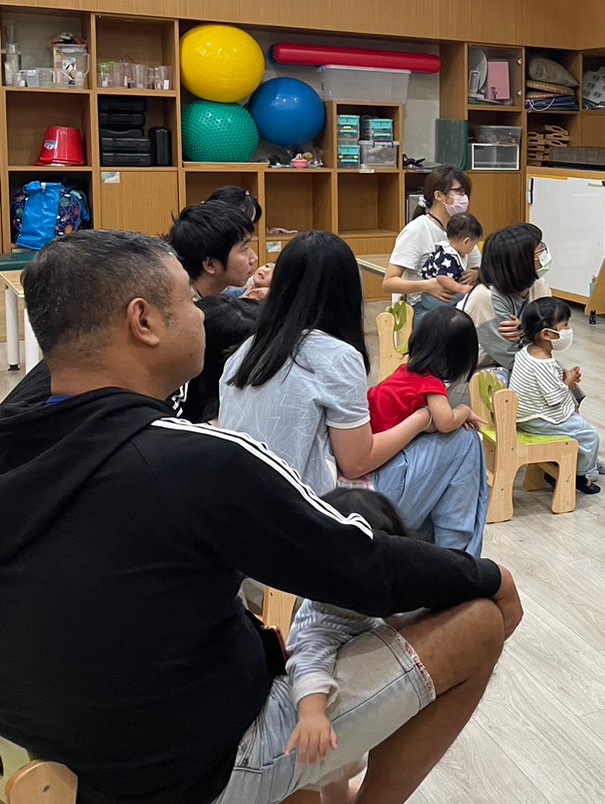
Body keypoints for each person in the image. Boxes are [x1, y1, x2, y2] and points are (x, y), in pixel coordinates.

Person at [0, 229, 522, 804]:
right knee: (478, 619)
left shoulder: (22, 436)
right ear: (142, 321)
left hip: (60, 763)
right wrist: (488, 578)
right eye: (189, 302)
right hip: (196, 769)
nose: (207, 313)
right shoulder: (190, 461)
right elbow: (362, 565)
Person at [219, 231, 489, 556]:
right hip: (318, 523)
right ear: (347, 292)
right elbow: (357, 462)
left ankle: (431, 566)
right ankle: (457, 568)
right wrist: (423, 417)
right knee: (463, 442)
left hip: (250, 525)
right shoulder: (336, 355)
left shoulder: (244, 352)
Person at [285, 488, 412, 804]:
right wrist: (312, 712)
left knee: (336, 775)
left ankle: (339, 795)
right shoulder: (321, 617)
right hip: (315, 724)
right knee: (313, 778)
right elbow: (308, 659)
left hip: (345, 718)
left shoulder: (370, 605)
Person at [166, 201, 263, 424]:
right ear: (210, 265)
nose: (254, 258)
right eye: (244, 249)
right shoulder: (185, 322)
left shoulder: (214, 297)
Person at [510, 297, 605, 494]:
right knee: (589, 435)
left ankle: (562, 466)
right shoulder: (544, 363)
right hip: (539, 420)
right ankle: (579, 474)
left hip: (525, 416)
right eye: (565, 325)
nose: (569, 329)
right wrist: (568, 382)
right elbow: (555, 398)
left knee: (577, 416)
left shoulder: (526, 352)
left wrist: (564, 377)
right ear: (547, 334)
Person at [369, 305, 480, 437]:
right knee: (466, 437)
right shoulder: (431, 384)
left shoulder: (405, 370)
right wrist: (465, 410)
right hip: (382, 444)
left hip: (366, 431)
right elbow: (446, 423)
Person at [383, 167, 481, 307]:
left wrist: (475, 273)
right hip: (423, 305)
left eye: (464, 193)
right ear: (439, 196)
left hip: (455, 302)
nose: (463, 197)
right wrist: (428, 285)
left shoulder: (463, 227)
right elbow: (388, 283)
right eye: (459, 192)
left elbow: (477, 265)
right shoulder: (416, 230)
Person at [461, 222, 549, 375]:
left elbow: (557, 334)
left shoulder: (538, 285)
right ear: (520, 263)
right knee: (549, 377)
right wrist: (537, 333)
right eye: (539, 249)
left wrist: (526, 328)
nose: (545, 252)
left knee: (561, 379)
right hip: (474, 374)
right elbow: (511, 358)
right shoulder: (484, 297)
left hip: (515, 365)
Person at [419, 213, 484, 299]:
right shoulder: (448, 256)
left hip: (434, 296)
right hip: (432, 297)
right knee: (470, 296)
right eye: (474, 244)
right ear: (466, 242)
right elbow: (442, 278)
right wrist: (460, 288)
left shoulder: (448, 249)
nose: (473, 248)